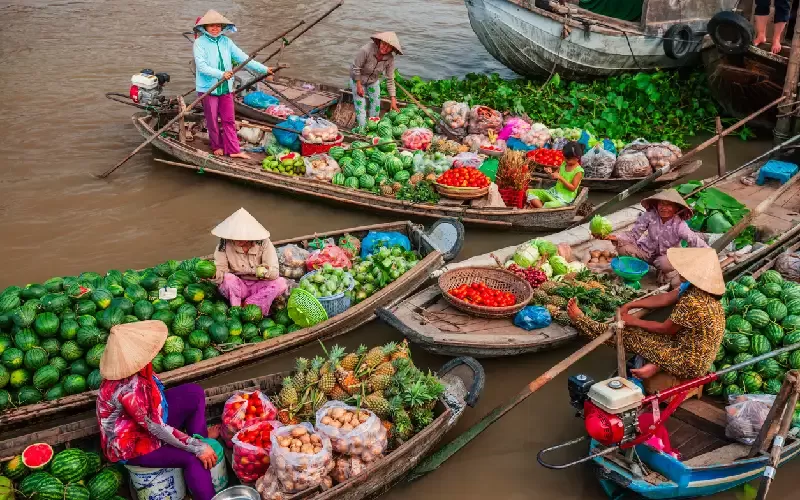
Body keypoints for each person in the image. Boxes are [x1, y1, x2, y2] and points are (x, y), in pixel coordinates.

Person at [567, 247, 726, 394]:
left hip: (689, 362)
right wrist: (631, 304)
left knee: (627, 334)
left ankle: (581, 321)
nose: (679, 270)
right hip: (687, 348)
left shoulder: (693, 301)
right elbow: (665, 298)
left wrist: (632, 321)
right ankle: (654, 365)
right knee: (644, 334)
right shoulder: (699, 291)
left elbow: (666, 329)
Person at [97, 321, 219, 500]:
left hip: (148, 422)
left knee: (193, 393)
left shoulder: (137, 370)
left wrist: (197, 441)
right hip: (134, 446)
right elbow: (157, 428)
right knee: (193, 457)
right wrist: (197, 447)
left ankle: (201, 437)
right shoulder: (129, 390)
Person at [193, 10, 273, 159]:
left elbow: (244, 58)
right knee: (212, 120)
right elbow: (202, 66)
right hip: (208, 88)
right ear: (205, 27)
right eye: (211, 26)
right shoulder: (199, 43)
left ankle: (233, 150)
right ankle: (216, 145)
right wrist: (220, 74)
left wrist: (265, 69)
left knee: (229, 119)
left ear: (222, 27)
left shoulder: (226, 42)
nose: (215, 28)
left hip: (226, 87)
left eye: (218, 26)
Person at [603, 189, 708, 287]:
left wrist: (707, 254)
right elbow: (633, 234)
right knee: (623, 248)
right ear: (657, 204)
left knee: (664, 263)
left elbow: (694, 240)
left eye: (669, 205)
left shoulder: (680, 225)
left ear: (676, 208)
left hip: (666, 256)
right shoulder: (650, 216)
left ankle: (665, 273)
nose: (664, 208)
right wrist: (614, 237)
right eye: (661, 204)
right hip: (646, 251)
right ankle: (637, 269)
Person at [211, 207, 288, 315]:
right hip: (239, 285)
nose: (236, 240)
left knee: (281, 283)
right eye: (234, 236)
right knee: (228, 279)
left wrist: (265, 271)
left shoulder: (264, 243)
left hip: (260, 285)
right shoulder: (223, 245)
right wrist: (214, 275)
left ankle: (249, 304)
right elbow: (221, 270)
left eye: (241, 236)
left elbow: (274, 272)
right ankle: (236, 310)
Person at [350, 32, 403, 129]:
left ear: (392, 49)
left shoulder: (390, 59)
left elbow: (390, 79)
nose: (385, 48)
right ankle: (362, 129)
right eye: (384, 44)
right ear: (379, 42)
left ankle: (372, 127)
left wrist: (393, 99)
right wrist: (358, 85)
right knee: (360, 106)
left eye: (389, 46)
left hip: (373, 81)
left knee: (376, 104)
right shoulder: (366, 50)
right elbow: (356, 68)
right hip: (357, 79)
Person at [526, 141, 584, 208]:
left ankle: (542, 209)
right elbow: (554, 176)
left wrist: (561, 178)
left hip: (564, 198)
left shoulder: (578, 171)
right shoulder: (564, 164)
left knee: (549, 205)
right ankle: (542, 209)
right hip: (554, 192)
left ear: (577, 158)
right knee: (529, 192)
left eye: (568, 159)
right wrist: (549, 173)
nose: (565, 160)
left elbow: (573, 188)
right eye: (564, 158)